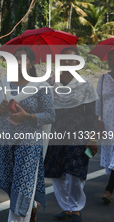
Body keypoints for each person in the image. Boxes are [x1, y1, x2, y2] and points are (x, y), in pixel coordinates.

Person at [0, 47, 55, 222]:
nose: (17, 63)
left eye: (23, 60)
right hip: (5, 140)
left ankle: (18, 217)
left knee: (23, 183)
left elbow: (50, 115)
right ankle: (30, 207)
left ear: (31, 64)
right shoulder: (2, 84)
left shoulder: (41, 87)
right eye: (15, 59)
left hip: (29, 140)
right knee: (9, 182)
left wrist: (28, 116)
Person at [44, 47, 98, 222]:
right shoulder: (49, 83)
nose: (66, 63)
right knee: (57, 173)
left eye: (71, 60)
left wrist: (92, 137)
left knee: (74, 171)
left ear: (77, 63)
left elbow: (91, 114)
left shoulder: (85, 85)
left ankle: (76, 209)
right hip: (54, 133)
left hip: (78, 133)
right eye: (63, 60)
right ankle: (66, 208)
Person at [96, 49, 114, 204]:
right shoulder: (102, 79)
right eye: (111, 59)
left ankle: (108, 190)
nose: (112, 62)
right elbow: (98, 100)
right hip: (108, 123)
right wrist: (96, 120)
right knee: (111, 159)